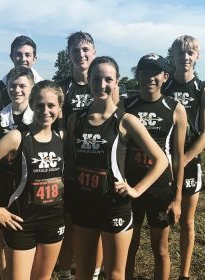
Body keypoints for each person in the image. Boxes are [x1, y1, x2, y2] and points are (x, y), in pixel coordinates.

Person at [67, 56, 168, 280]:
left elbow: (161, 159)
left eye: (108, 79)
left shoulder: (125, 120)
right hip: (84, 204)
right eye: (96, 79)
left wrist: (137, 190)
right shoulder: (76, 119)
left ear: (117, 82)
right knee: (83, 271)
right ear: (89, 79)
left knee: (114, 273)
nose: (101, 85)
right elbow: (71, 165)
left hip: (114, 206)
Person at [0, 80, 65, 280]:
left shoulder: (61, 138)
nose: (45, 111)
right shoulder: (17, 137)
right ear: (31, 104)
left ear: (60, 108)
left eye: (51, 105)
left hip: (54, 221)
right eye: (39, 105)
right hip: (22, 223)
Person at [124, 54, 187, 280]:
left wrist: (177, 198)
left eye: (155, 72)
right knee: (128, 249)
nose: (150, 77)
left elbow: (178, 157)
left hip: (160, 189)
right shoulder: (125, 105)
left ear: (165, 76)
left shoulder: (175, 108)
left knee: (160, 250)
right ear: (137, 75)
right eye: (144, 72)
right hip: (131, 187)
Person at [162, 35, 205, 280]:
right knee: (162, 222)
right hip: (163, 161)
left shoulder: (204, 89)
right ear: (172, 55)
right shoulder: (165, 87)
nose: (185, 57)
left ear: (197, 56)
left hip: (190, 164)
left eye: (190, 53)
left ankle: (184, 274)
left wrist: (182, 161)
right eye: (180, 53)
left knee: (188, 222)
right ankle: (162, 268)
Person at [57, 31, 104, 280]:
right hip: (71, 169)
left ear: (93, 52)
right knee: (69, 224)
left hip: (99, 169)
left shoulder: (105, 81)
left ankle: (94, 273)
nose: (81, 54)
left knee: (95, 225)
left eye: (86, 49)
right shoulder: (62, 87)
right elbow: (59, 129)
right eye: (75, 50)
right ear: (69, 55)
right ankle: (64, 272)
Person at [0, 66, 35, 278]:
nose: (17, 90)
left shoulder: (39, 116)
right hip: (3, 186)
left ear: (31, 88)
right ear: (7, 88)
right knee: (3, 240)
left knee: (30, 236)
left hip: (31, 186)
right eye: (13, 85)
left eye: (22, 85)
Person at [0, 35, 43, 144]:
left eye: (28, 55)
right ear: (11, 57)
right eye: (18, 54)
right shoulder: (1, 86)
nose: (23, 59)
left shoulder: (42, 86)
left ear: (34, 58)